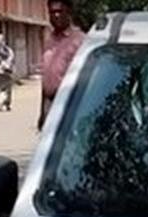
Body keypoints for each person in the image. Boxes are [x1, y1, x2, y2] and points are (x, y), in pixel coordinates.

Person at [38, 0, 83, 129]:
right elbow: (46, 77)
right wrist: (42, 112)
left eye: (60, 11)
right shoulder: (49, 41)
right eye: (53, 12)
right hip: (50, 103)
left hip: (69, 104)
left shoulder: (79, 40)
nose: (56, 15)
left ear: (68, 13)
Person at [0, 33, 15, 112]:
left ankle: (7, 104)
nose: (3, 42)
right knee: (1, 89)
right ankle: (2, 104)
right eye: (1, 40)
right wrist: (3, 63)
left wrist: (9, 64)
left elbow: (12, 58)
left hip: (8, 72)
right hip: (0, 72)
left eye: (3, 40)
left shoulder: (8, 50)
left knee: (8, 89)